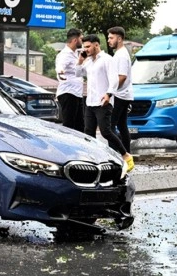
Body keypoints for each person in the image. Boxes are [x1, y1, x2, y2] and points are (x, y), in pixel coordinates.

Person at [76, 34, 134, 172]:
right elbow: (78, 73)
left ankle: (126, 155)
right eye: (84, 47)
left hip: (104, 102)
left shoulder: (107, 59)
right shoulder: (88, 61)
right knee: (88, 133)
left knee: (106, 131)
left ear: (97, 45)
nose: (86, 49)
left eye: (88, 46)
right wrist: (80, 61)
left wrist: (109, 94)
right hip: (90, 102)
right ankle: (93, 160)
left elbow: (114, 80)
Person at [107, 26, 133, 154]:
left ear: (119, 38)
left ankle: (115, 155)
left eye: (111, 38)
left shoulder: (122, 55)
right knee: (122, 126)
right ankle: (127, 154)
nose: (109, 41)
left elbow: (122, 76)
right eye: (108, 38)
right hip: (123, 94)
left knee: (109, 127)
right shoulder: (119, 53)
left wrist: (110, 91)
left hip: (120, 95)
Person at [55, 28, 85, 132]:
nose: (83, 41)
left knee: (80, 126)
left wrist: (81, 63)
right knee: (69, 126)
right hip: (68, 93)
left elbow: (79, 72)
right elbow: (60, 66)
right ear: (75, 40)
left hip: (76, 93)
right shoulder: (65, 54)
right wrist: (60, 72)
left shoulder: (75, 53)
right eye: (81, 38)